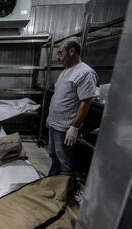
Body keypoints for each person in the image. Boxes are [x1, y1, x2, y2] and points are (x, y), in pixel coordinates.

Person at [47, 38, 98, 176]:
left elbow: (85, 102)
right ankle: (52, 184)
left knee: (65, 161)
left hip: (65, 127)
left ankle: (64, 189)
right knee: (54, 156)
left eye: (60, 52)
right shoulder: (65, 72)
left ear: (71, 51)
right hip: (55, 123)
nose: (58, 57)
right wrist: (50, 117)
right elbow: (59, 96)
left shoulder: (85, 72)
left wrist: (74, 127)